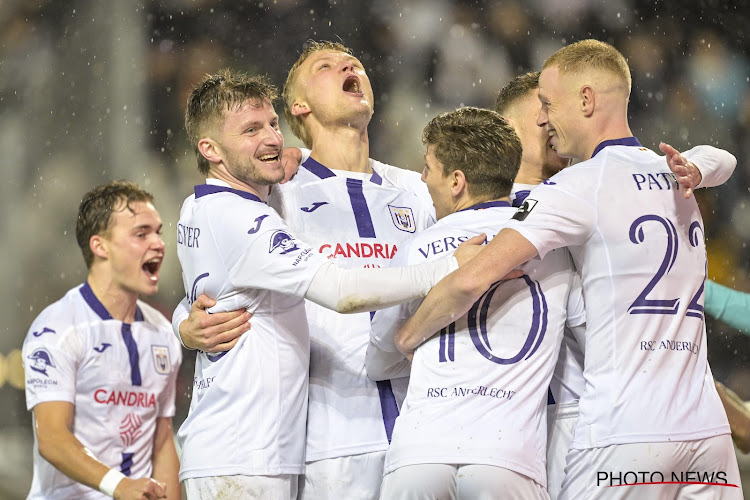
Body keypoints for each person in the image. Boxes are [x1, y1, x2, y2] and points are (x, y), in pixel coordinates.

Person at [395, 39, 742, 499]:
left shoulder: (573, 187)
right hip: (705, 433)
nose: (545, 119)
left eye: (548, 104)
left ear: (586, 99)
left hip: (624, 430)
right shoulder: (672, 172)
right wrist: (701, 164)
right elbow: (723, 160)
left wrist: (407, 335)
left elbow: (475, 276)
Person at [174, 69, 477, 500]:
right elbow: (338, 289)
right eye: (251, 129)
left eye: (271, 125)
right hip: (308, 445)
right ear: (302, 103)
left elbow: (213, 286)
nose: (348, 68)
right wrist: (450, 267)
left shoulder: (416, 186)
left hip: (411, 432)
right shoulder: (268, 200)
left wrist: (182, 324)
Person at [366, 106, 583, 499]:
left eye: (428, 167)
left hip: (420, 454)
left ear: (456, 181)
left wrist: (411, 341)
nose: (422, 178)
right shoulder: (554, 248)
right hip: (506, 457)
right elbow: (589, 343)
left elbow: (378, 361)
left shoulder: (417, 249)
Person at [22, 181, 182, 500]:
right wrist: (117, 485)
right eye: (141, 233)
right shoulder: (58, 328)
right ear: (100, 246)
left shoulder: (163, 333)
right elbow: (52, 437)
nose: (159, 243)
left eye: (157, 232)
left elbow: (162, 442)